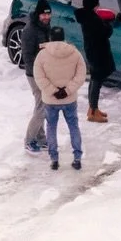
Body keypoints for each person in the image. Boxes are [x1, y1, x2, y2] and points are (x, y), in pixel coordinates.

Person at [33, 25, 87, 171]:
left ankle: (54, 159)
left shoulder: (42, 55)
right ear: (63, 37)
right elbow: (81, 75)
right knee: (73, 126)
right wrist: (67, 90)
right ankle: (77, 158)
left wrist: (53, 91)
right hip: (69, 100)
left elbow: (39, 77)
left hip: (50, 100)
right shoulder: (75, 53)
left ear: (50, 38)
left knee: (51, 127)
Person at [19, 0, 53, 153]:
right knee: (42, 107)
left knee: (42, 105)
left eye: (48, 14)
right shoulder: (30, 30)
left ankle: (40, 138)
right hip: (35, 74)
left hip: (45, 72)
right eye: (43, 14)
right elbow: (27, 55)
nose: (46, 17)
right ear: (38, 14)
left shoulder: (45, 27)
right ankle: (29, 140)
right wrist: (39, 72)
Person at [78, 0, 117, 123]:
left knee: (95, 80)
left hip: (93, 52)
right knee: (97, 81)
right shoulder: (93, 19)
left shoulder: (86, 17)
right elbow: (106, 32)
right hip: (98, 54)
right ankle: (93, 111)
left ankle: (92, 108)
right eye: (96, 5)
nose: (98, 7)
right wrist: (110, 23)